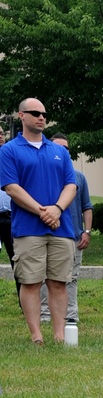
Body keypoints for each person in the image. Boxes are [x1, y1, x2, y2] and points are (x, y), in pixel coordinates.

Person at [0, 97, 77, 345]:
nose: (41, 117)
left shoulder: (58, 151)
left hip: (60, 228)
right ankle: (36, 336)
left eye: (44, 113)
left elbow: (71, 185)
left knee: (58, 282)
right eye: (35, 113)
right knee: (30, 281)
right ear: (21, 116)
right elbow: (12, 188)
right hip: (28, 228)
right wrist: (42, 211)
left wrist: (56, 209)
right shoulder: (9, 150)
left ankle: (59, 336)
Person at [39, 133, 92, 329]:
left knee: (71, 278)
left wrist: (87, 231)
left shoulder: (79, 177)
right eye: (59, 147)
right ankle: (45, 314)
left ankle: (71, 314)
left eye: (66, 148)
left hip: (74, 236)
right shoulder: (43, 176)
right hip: (47, 234)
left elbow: (87, 206)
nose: (63, 151)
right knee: (45, 277)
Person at [0, 125, 20, 305]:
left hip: (12, 217)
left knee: (19, 261)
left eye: (1, 133)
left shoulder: (10, 156)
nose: (0, 136)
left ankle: (25, 304)